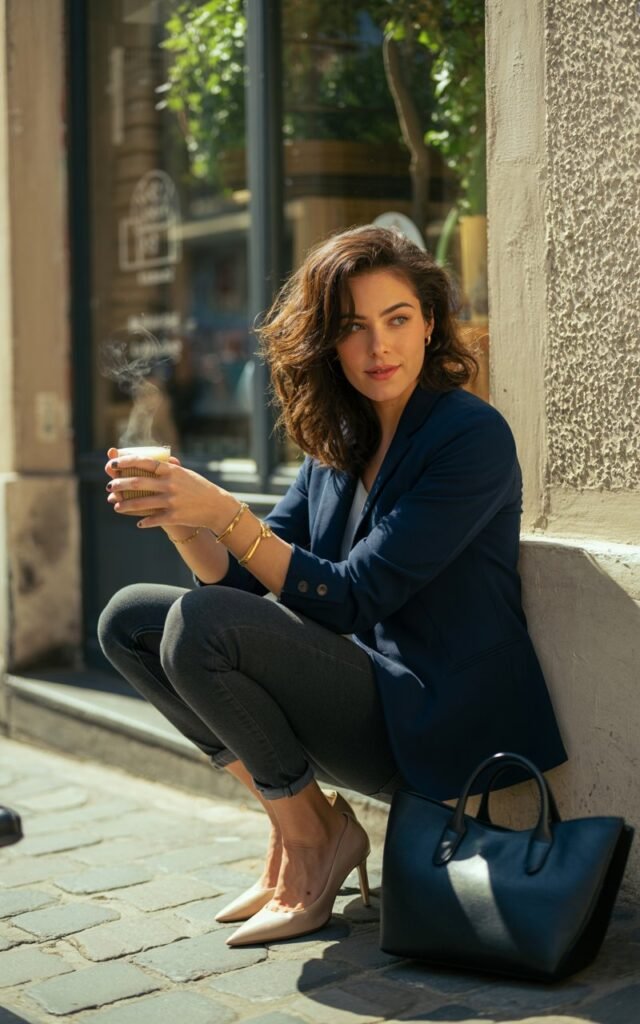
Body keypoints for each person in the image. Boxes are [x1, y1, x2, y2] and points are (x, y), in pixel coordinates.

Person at [98, 225, 567, 947]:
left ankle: (312, 845)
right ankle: (305, 829)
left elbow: (354, 596)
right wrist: (178, 516)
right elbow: (248, 592)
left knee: (201, 626)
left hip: (433, 713)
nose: (379, 348)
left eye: (398, 320)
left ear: (431, 324)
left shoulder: (469, 436)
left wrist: (224, 509)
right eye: (354, 328)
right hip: (363, 695)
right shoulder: (338, 443)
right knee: (131, 620)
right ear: (327, 342)